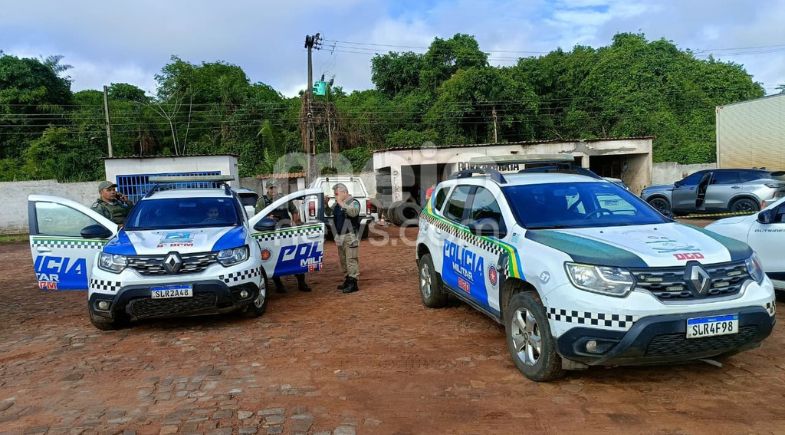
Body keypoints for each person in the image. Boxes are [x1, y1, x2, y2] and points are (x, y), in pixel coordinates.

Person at [255, 181, 311, 293]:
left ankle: (301, 282)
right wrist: (267, 218)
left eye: (275, 187)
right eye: (271, 188)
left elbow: (294, 211)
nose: (273, 190)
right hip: (272, 234)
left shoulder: (284, 198)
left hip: (287, 232)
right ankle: (279, 285)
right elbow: (257, 217)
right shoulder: (262, 201)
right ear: (267, 189)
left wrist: (295, 223)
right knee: (274, 258)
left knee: (295, 256)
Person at [328, 183, 361, 294]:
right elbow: (329, 213)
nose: (335, 196)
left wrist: (341, 203)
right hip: (340, 235)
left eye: (336, 194)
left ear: (344, 192)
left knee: (351, 259)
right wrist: (325, 204)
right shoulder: (337, 204)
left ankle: (353, 283)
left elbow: (354, 213)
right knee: (343, 259)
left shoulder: (353, 202)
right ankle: (347, 280)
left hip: (350, 235)